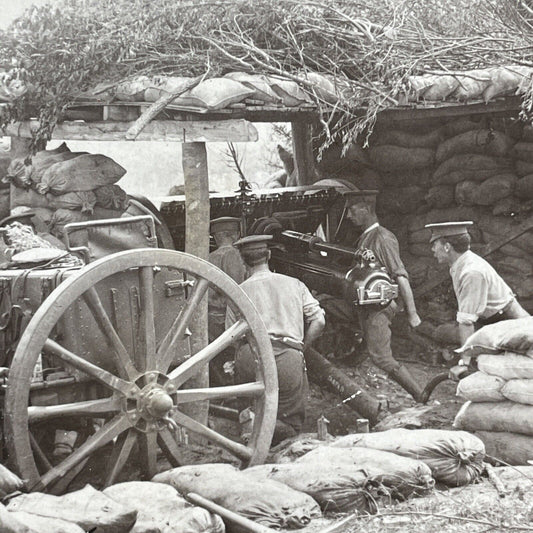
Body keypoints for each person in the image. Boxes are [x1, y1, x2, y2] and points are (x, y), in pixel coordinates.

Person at [227, 234, 325, 444]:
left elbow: (231, 336)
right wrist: (302, 347)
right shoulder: (294, 284)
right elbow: (319, 321)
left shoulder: (239, 291)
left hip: (250, 357)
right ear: (269, 255)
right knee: (292, 424)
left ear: (244, 261)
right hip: (288, 356)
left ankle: (251, 427)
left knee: (251, 407)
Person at [345, 190, 436, 403]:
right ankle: (352, 359)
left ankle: (420, 395)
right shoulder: (367, 237)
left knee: (382, 357)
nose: (349, 215)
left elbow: (400, 276)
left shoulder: (382, 239)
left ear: (367, 209)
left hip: (378, 307)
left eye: (352, 209)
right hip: (367, 305)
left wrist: (413, 314)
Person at [425, 221, 529, 346]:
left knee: (444, 333)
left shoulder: (471, 272)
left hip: (507, 322)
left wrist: (464, 363)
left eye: (435, 244)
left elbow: (466, 322)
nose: (433, 250)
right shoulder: (461, 263)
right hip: (493, 319)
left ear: (447, 247)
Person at [207, 217, 246, 343]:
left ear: (217, 237)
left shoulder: (208, 257)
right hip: (228, 318)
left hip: (211, 317)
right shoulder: (233, 255)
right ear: (235, 235)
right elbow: (238, 288)